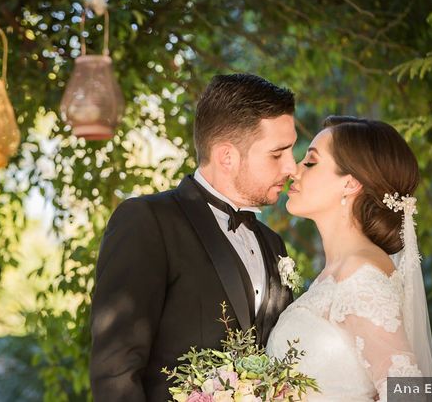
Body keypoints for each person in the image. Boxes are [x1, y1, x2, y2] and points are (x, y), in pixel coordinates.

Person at [90, 73, 298, 402]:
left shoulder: (274, 245)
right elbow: (115, 369)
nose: (292, 167)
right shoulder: (147, 221)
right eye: (278, 154)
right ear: (227, 156)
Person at [266, 116, 432, 402]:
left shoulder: (361, 275)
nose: (294, 171)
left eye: (310, 162)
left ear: (350, 184)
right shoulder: (336, 274)